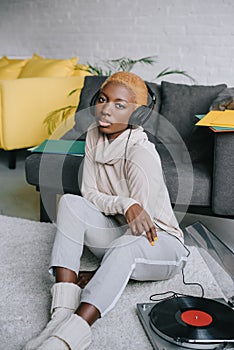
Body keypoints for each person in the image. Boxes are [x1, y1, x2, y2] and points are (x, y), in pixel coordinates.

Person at [24, 72, 188, 350]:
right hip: (117, 229)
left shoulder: (142, 154)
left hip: (158, 242)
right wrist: (125, 204)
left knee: (126, 246)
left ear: (136, 115)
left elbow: (139, 227)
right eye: (102, 99)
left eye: (119, 105)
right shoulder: (93, 136)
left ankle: (76, 332)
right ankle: (61, 313)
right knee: (70, 204)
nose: (107, 109)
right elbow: (88, 193)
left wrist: (130, 211)